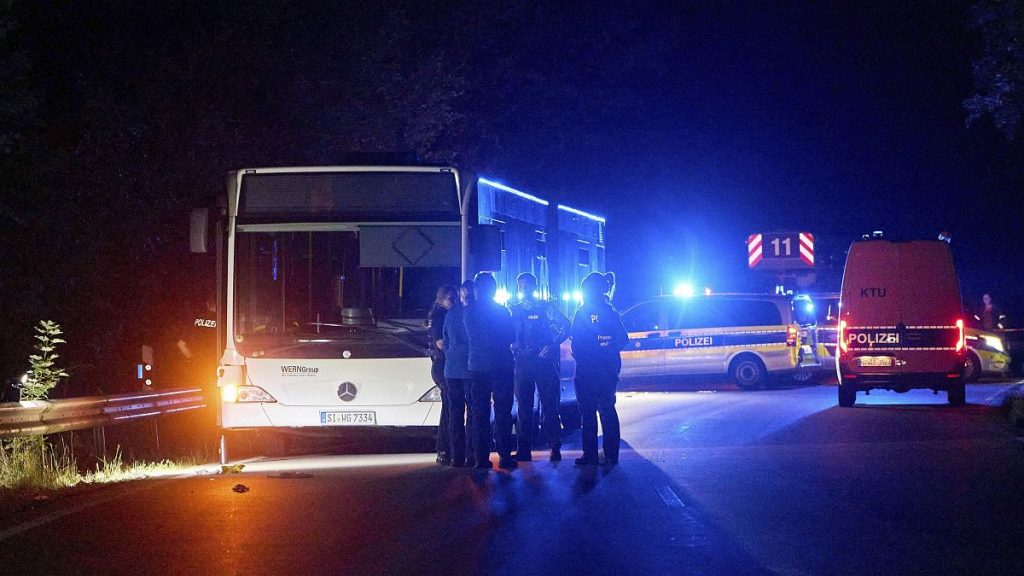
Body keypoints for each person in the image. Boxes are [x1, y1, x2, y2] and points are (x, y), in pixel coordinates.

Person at [510, 272, 571, 462]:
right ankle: (523, 449)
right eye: (521, 286)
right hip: (523, 362)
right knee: (523, 408)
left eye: (527, 285)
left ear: (535, 287)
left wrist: (552, 344)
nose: (524, 289)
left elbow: (566, 325)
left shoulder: (547, 307)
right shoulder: (513, 309)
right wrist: (510, 345)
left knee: (549, 405)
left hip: (543, 361)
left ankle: (554, 446)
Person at [570, 272, 629, 468]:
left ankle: (590, 456)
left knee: (588, 413)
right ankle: (612, 455)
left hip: (587, 371)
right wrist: (607, 348)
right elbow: (623, 339)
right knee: (607, 410)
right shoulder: (611, 313)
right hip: (607, 370)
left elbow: (576, 343)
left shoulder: (582, 313)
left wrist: (589, 353)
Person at [464, 272, 517, 470]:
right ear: (494, 290)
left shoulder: (467, 312)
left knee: (479, 414)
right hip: (501, 365)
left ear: (477, 289)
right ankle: (504, 456)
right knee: (503, 412)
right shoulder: (502, 312)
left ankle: (481, 458)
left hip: (477, 367)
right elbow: (511, 336)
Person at [442, 279, 476, 467]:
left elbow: (445, 341)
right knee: (473, 412)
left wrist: (451, 355)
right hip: (471, 369)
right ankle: (472, 454)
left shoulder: (450, 314)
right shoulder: (474, 314)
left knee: (454, 413)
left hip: (451, 370)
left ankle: (456, 456)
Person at [427, 285, 458, 465]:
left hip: (442, 365)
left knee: (449, 408)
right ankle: (444, 448)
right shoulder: (440, 316)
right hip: (443, 365)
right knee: (449, 408)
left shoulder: (438, 315)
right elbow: (440, 344)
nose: (453, 303)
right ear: (441, 299)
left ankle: (445, 448)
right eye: (450, 299)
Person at [172, 296, 218, 388]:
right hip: (216, 368)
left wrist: (194, 360)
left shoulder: (196, 320)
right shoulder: (223, 321)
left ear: (207, 304)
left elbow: (181, 344)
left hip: (198, 369)